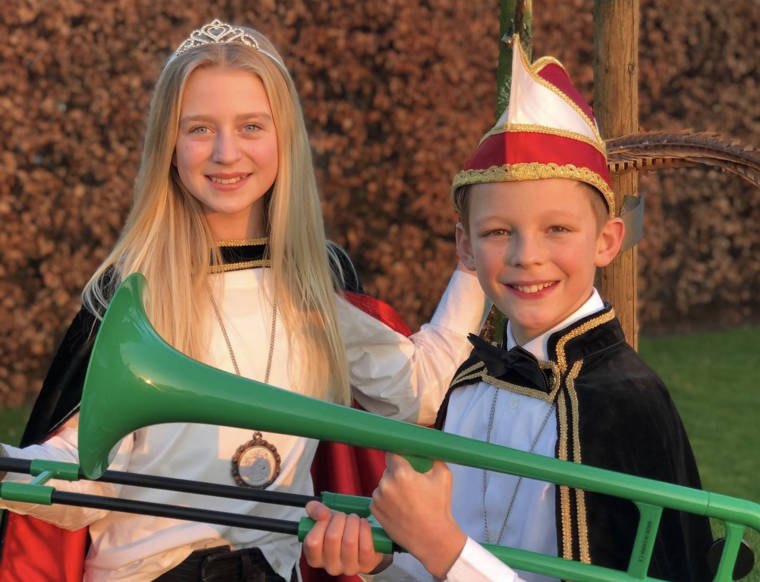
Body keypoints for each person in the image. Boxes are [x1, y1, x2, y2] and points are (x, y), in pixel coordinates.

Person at [0, 20, 489, 582]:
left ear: (285, 140)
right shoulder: (131, 295)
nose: (226, 152)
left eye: (251, 126)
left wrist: (477, 261)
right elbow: (87, 481)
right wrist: (12, 470)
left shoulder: (317, 288)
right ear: (169, 147)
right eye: (199, 128)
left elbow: (419, 395)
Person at [302, 36, 713, 582]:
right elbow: (437, 566)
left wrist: (442, 548)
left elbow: (450, 553)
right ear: (466, 249)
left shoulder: (627, 405)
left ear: (607, 241)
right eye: (498, 232)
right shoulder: (469, 381)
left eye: (558, 228)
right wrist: (381, 563)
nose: (526, 256)